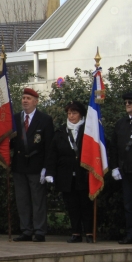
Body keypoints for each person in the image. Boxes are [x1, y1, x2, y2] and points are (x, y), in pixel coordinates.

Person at [46, 101, 93, 243]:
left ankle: (89, 232)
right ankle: (76, 232)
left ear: (81, 115)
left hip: (83, 174)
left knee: (85, 205)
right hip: (66, 175)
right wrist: (50, 172)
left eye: (74, 113)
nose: (71, 116)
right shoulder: (60, 131)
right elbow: (52, 154)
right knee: (71, 205)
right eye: (69, 113)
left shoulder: (89, 130)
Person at [11, 88, 54, 242]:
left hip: (37, 165)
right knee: (22, 200)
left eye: (28, 98)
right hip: (19, 165)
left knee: (38, 200)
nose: (25, 101)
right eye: (23, 98)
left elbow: (49, 146)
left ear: (35, 102)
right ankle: (26, 230)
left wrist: (47, 169)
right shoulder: (15, 118)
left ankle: (39, 230)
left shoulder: (45, 119)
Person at [110, 92, 132, 244]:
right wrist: (114, 167)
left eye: (130, 102)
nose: (127, 104)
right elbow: (114, 147)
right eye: (125, 102)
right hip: (126, 170)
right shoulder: (121, 123)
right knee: (129, 205)